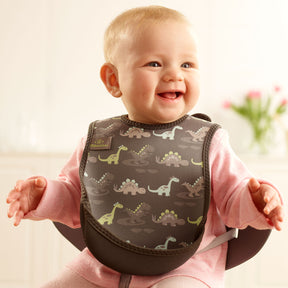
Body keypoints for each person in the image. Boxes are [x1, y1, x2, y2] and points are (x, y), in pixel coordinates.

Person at [6, 5, 284, 288]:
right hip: (101, 266)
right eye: (154, 64)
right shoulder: (101, 139)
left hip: (187, 267)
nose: (174, 74)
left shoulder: (208, 141)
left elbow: (233, 199)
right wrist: (42, 197)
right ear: (114, 80)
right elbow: (76, 197)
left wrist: (257, 200)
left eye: (186, 64)